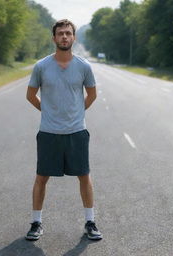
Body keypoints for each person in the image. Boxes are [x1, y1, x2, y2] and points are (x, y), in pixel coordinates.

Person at [25, 19, 102, 241]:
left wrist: (77, 113)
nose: (65, 37)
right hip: (49, 132)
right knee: (41, 177)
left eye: (68, 33)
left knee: (84, 176)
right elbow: (30, 95)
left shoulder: (84, 66)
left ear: (74, 38)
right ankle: (36, 223)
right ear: (54, 38)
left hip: (77, 132)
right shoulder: (41, 66)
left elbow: (92, 95)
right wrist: (47, 112)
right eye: (60, 34)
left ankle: (90, 222)